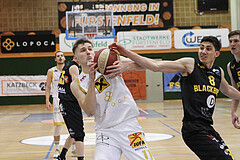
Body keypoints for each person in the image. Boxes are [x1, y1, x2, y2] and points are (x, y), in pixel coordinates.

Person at [108, 36, 240, 159]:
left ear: (217, 54)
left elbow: (227, 89)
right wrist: (126, 53)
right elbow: (156, 66)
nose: (203, 51)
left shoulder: (218, 72)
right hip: (193, 129)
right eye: (201, 47)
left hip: (208, 127)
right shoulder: (190, 65)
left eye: (208, 49)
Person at [70, 38, 155, 160]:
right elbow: (90, 110)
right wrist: (91, 81)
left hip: (128, 125)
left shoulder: (111, 61)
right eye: (83, 50)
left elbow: (149, 65)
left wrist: (126, 65)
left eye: (90, 48)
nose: (88, 52)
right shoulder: (76, 84)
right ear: (76, 58)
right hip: (105, 131)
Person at [45, 51, 76, 158]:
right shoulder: (51, 71)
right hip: (57, 100)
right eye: (58, 56)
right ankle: (57, 149)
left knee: (72, 124)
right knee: (57, 126)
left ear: (64, 58)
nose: (60, 57)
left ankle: (74, 148)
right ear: (55, 59)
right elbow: (48, 87)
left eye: (62, 55)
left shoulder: (69, 69)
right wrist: (47, 100)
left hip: (69, 99)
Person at [57, 48, 85, 160]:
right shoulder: (74, 67)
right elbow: (75, 86)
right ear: (76, 56)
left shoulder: (68, 65)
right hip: (70, 103)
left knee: (73, 131)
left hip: (64, 102)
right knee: (79, 135)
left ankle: (62, 156)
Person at [227, 30, 240, 129]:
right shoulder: (231, 66)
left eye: (236, 41)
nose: (232, 44)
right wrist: (233, 112)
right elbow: (235, 92)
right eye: (230, 41)